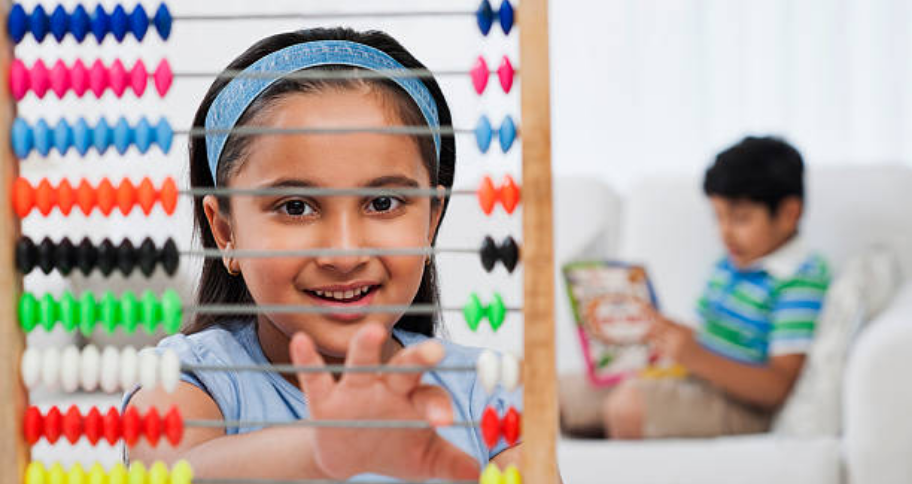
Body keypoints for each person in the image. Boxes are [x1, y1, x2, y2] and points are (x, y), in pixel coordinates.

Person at [124, 27, 521, 480]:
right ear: (226, 232)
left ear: (432, 220)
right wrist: (327, 446)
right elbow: (174, 470)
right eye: (296, 208)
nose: (344, 252)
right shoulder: (189, 379)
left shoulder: (486, 393)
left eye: (383, 203)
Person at [559, 136, 830, 439]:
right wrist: (676, 339)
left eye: (740, 219)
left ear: (789, 213)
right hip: (692, 377)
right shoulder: (730, 266)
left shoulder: (799, 278)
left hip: (743, 406)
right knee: (552, 395)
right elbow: (709, 339)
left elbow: (776, 387)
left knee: (628, 407)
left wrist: (694, 355)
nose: (724, 232)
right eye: (718, 217)